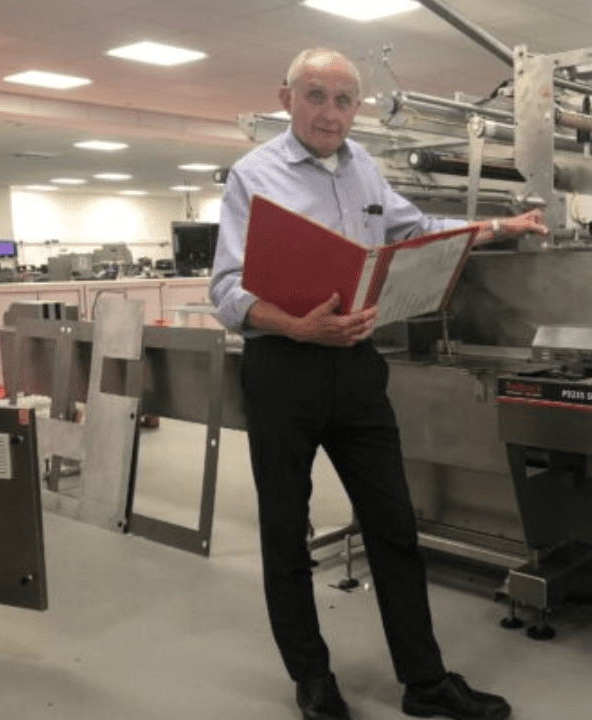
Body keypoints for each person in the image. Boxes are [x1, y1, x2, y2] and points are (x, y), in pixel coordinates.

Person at [210, 48, 548, 720]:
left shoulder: (362, 165)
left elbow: (416, 229)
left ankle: (425, 683)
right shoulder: (255, 176)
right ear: (286, 99)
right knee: (285, 531)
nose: (330, 113)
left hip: (358, 370)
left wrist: (497, 226)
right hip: (284, 368)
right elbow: (225, 290)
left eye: (344, 99)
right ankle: (313, 681)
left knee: (393, 526)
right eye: (315, 95)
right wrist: (296, 327)